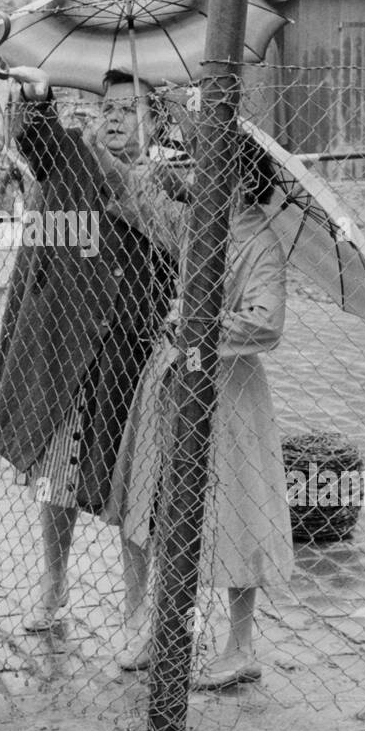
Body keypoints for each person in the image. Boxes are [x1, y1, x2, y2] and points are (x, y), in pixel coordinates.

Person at [97, 129, 294, 688]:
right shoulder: (199, 228)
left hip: (228, 392)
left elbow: (266, 321)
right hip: (169, 379)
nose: (195, 178)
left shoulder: (260, 244)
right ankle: (150, 624)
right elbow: (138, 207)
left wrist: (199, 325)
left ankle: (239, 645)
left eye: (209, 169)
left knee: (234, 508)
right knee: (146, 494)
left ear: (241, 179)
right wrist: (135, 167)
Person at [0, 66, 175, 631]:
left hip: (130, 353)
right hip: (68, 346)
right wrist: (39, 99)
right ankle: (53, 582)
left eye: (126, 108)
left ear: (154, 119)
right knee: (56, 472)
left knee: (134, 484)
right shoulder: (74, 155)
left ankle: (138, 604)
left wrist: (128, 185)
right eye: (106, 108)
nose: (112, 118)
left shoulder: (169, 177)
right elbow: (39, 141)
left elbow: (178, 238)